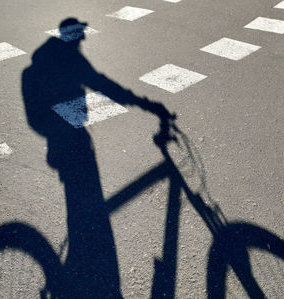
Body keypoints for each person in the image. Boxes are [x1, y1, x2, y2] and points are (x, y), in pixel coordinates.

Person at [21, 18, 172, 298]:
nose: (82, 42)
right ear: (74, 37)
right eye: (80, 37)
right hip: (74, 144)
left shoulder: (44, 60)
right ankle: (84, 280)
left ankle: (79, 272)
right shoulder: (69, 60)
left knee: (81, 211)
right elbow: (103, 85)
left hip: (59, 143)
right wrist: (146, 104)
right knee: (88, 215)